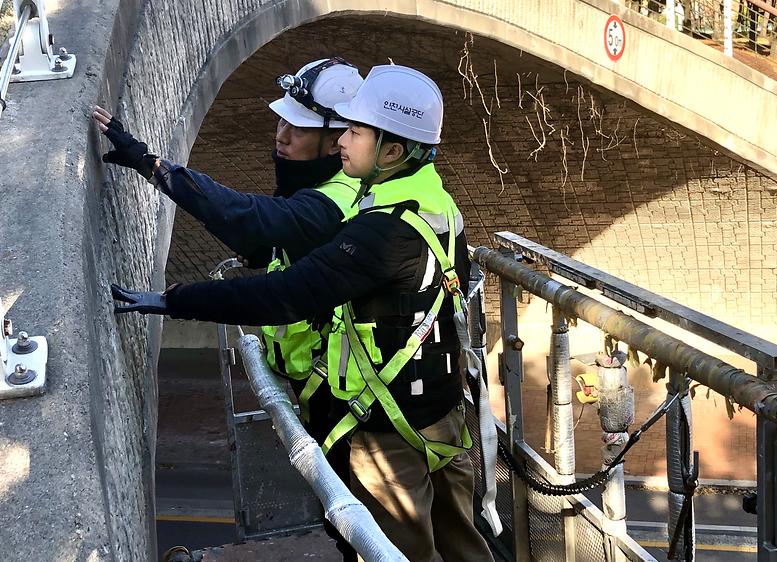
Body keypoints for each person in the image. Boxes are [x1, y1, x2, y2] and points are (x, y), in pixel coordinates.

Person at [110, 64, 493, 562]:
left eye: (355, 132)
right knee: (465, 547)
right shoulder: (436, 201)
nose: (342, 143)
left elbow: (287, 293)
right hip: (442, 415)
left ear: (393, 151)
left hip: (389, 434)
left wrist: (177, 300)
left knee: (393, 552)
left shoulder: (379, 231)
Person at [93, 57, 364, 562]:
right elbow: (268, 239)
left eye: (297, 127)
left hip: (350, 399)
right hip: (330, 386)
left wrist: (153, 166)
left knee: (356, 523)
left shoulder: (339, 201)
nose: (281, 135)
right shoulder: (319, 190)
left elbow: (253, 224)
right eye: (280, 121)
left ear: (337, 140)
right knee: (340, 515)